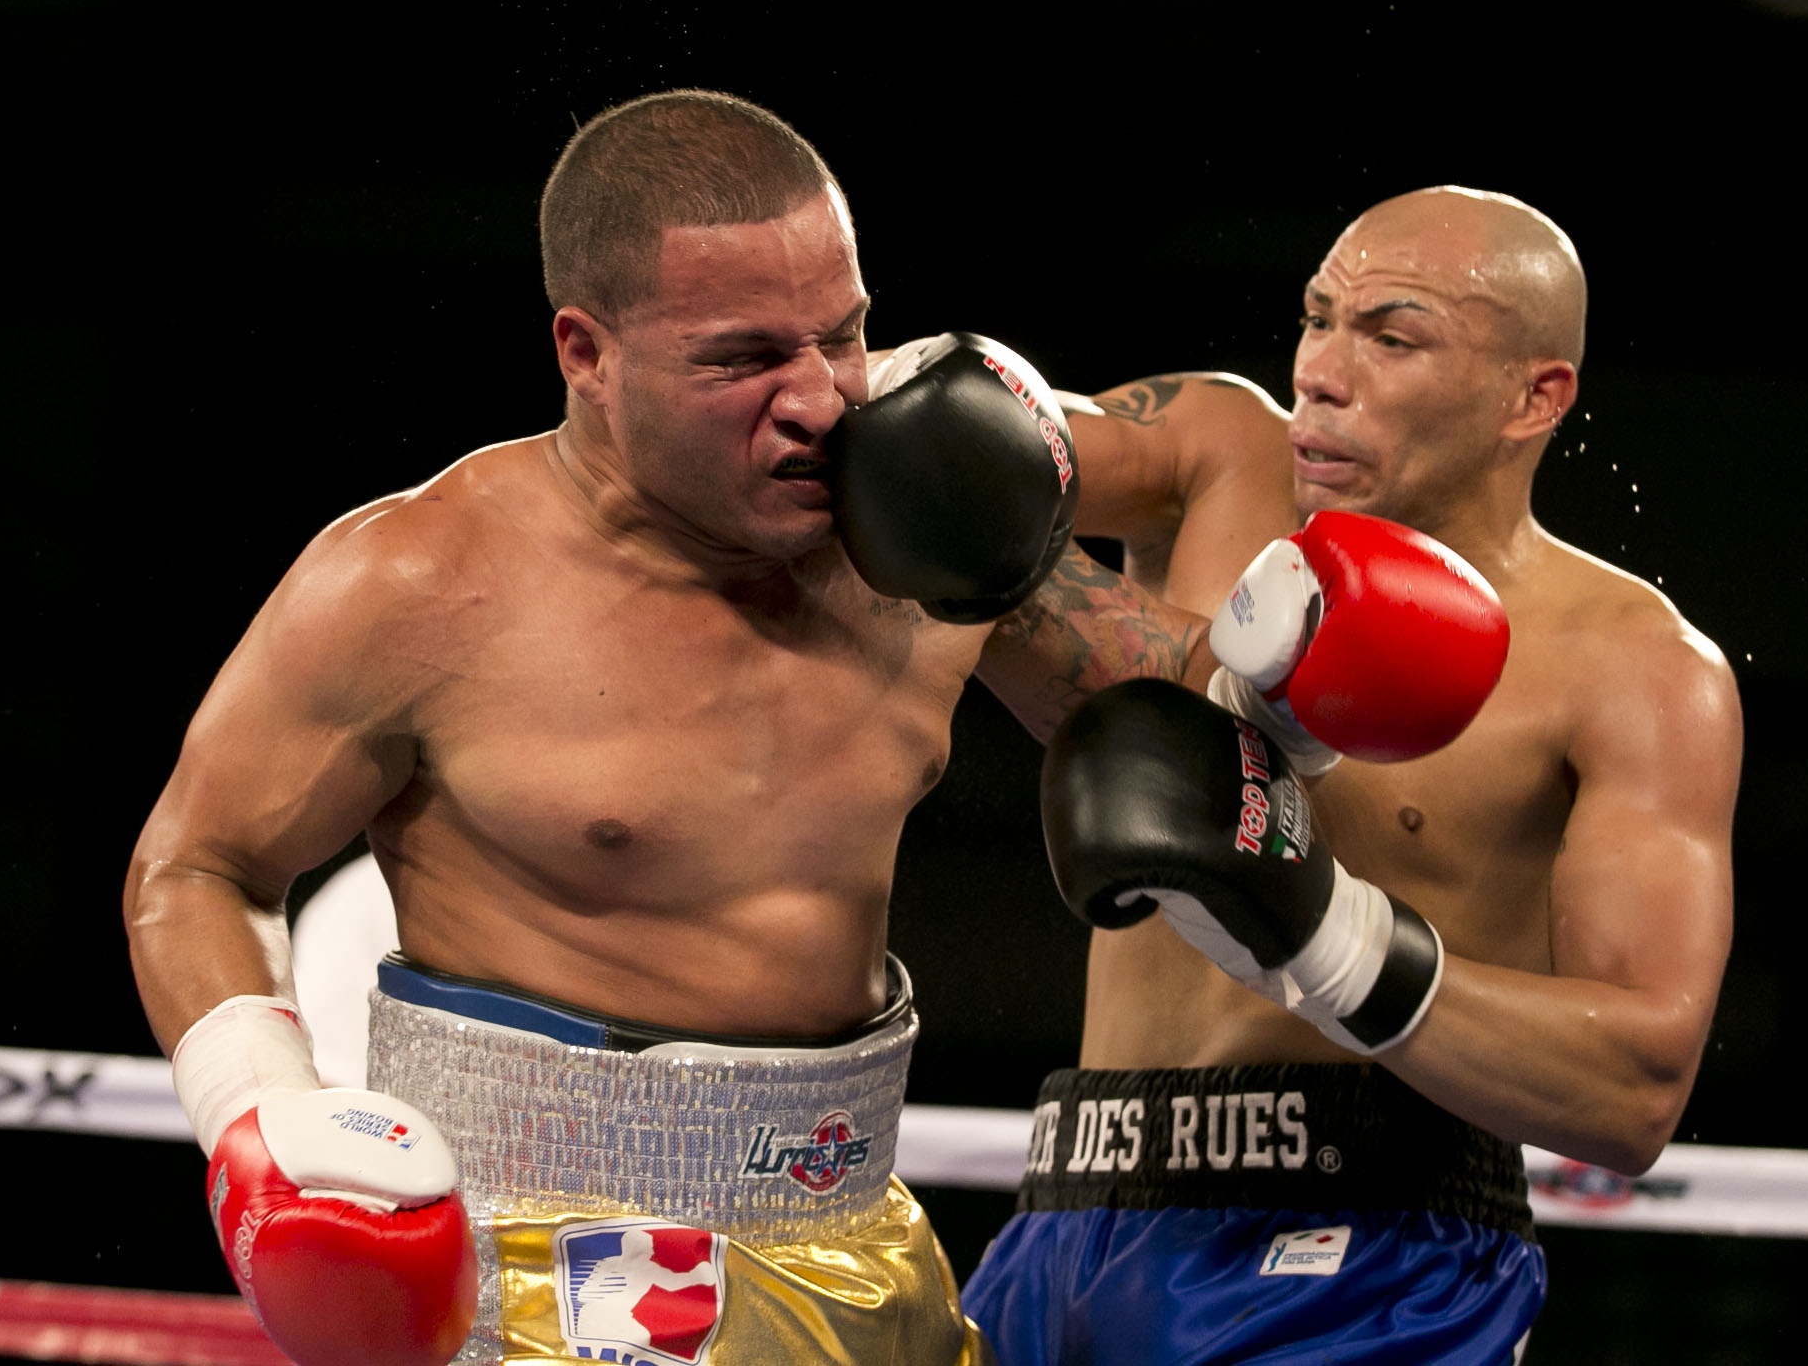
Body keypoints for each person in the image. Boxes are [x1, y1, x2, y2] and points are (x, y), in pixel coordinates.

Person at [123, 89, 1235, 1366]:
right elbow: (196, 863)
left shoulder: (922, 522)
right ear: (585, 353)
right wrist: (258, 1115)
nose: (818, 398)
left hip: (856, 1246)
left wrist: (1299, 643)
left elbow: (1183, 724)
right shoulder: (416, 583)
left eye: (844, 334)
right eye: (744, 359)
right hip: (536, 1269)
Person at [962, 186, 1743, 1364]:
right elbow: (973, 447)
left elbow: (1632, 1089)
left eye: (1389, 335)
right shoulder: (1218, 448)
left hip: (1369, 1260)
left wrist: (1326, 935)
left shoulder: (1631, 668)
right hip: (1068, 1213)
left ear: (1533, 395)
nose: (1322, 370)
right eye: (1316, 318)